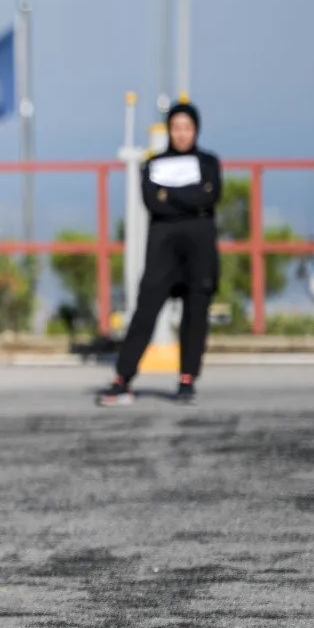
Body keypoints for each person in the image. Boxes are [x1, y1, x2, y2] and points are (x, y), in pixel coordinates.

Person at [98, 101, 223, 406]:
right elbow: (153, 201)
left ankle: (187, 379)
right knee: (145, 312)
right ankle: (122, 378)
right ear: (169, 130)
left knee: (196, 314)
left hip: (199, 250)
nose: (181, 134)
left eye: (187, 128)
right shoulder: (154, 163)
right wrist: (191, 198)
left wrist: (172, 194)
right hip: (162, 250)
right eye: (176, 128)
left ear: (195, 130)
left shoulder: (208, 161)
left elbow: (212, 194)